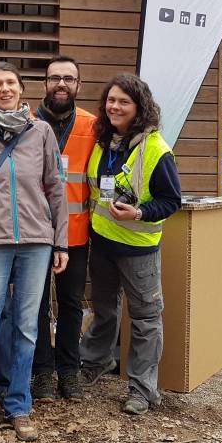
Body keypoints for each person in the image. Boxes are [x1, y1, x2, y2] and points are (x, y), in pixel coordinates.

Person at [0, 61, 69, 442]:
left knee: (26, 328)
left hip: (37, 242)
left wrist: (61, 240)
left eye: (11, 83)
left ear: (22, 89)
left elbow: (56, 187)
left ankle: (20, 405)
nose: (5, 89)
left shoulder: (41, 132)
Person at [80, 74, 182, 416]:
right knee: (105, 310)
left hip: (138, 249)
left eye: (124, 101)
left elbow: (171, 201)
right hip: (104, 244)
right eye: (111, 101)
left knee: (145, 318)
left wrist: (139, 212)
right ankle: (95, 363)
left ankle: (142, 388)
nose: (115, 107)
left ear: (139, 107)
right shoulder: (102, 143)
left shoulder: (155, 149)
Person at [30, 56, 95, 404]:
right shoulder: (26, 122)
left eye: (69, 79)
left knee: (71, 304)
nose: (61, 84)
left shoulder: (92, 125)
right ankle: (41, 372)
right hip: (34, 232)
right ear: (45, 83)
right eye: (55, 78)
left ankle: (69, 369)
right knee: (36, 305)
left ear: (78, 86)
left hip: (75, 233)